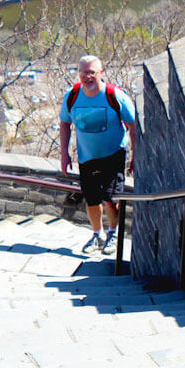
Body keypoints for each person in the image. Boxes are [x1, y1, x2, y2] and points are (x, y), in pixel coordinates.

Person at [60, 55, 136, 255]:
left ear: (101, 73)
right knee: (92, 199)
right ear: (79, 74)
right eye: (84, 72)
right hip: (87, 157)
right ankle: (97, 235)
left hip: (113, 155)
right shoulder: (72, 96)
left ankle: (113, 233)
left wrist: (136, 155)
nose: (88, 77)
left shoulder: (115, 96)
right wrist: (64, 154)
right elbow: (64, 123)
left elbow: (133, 124)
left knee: (111, 198)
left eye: (92, 72)